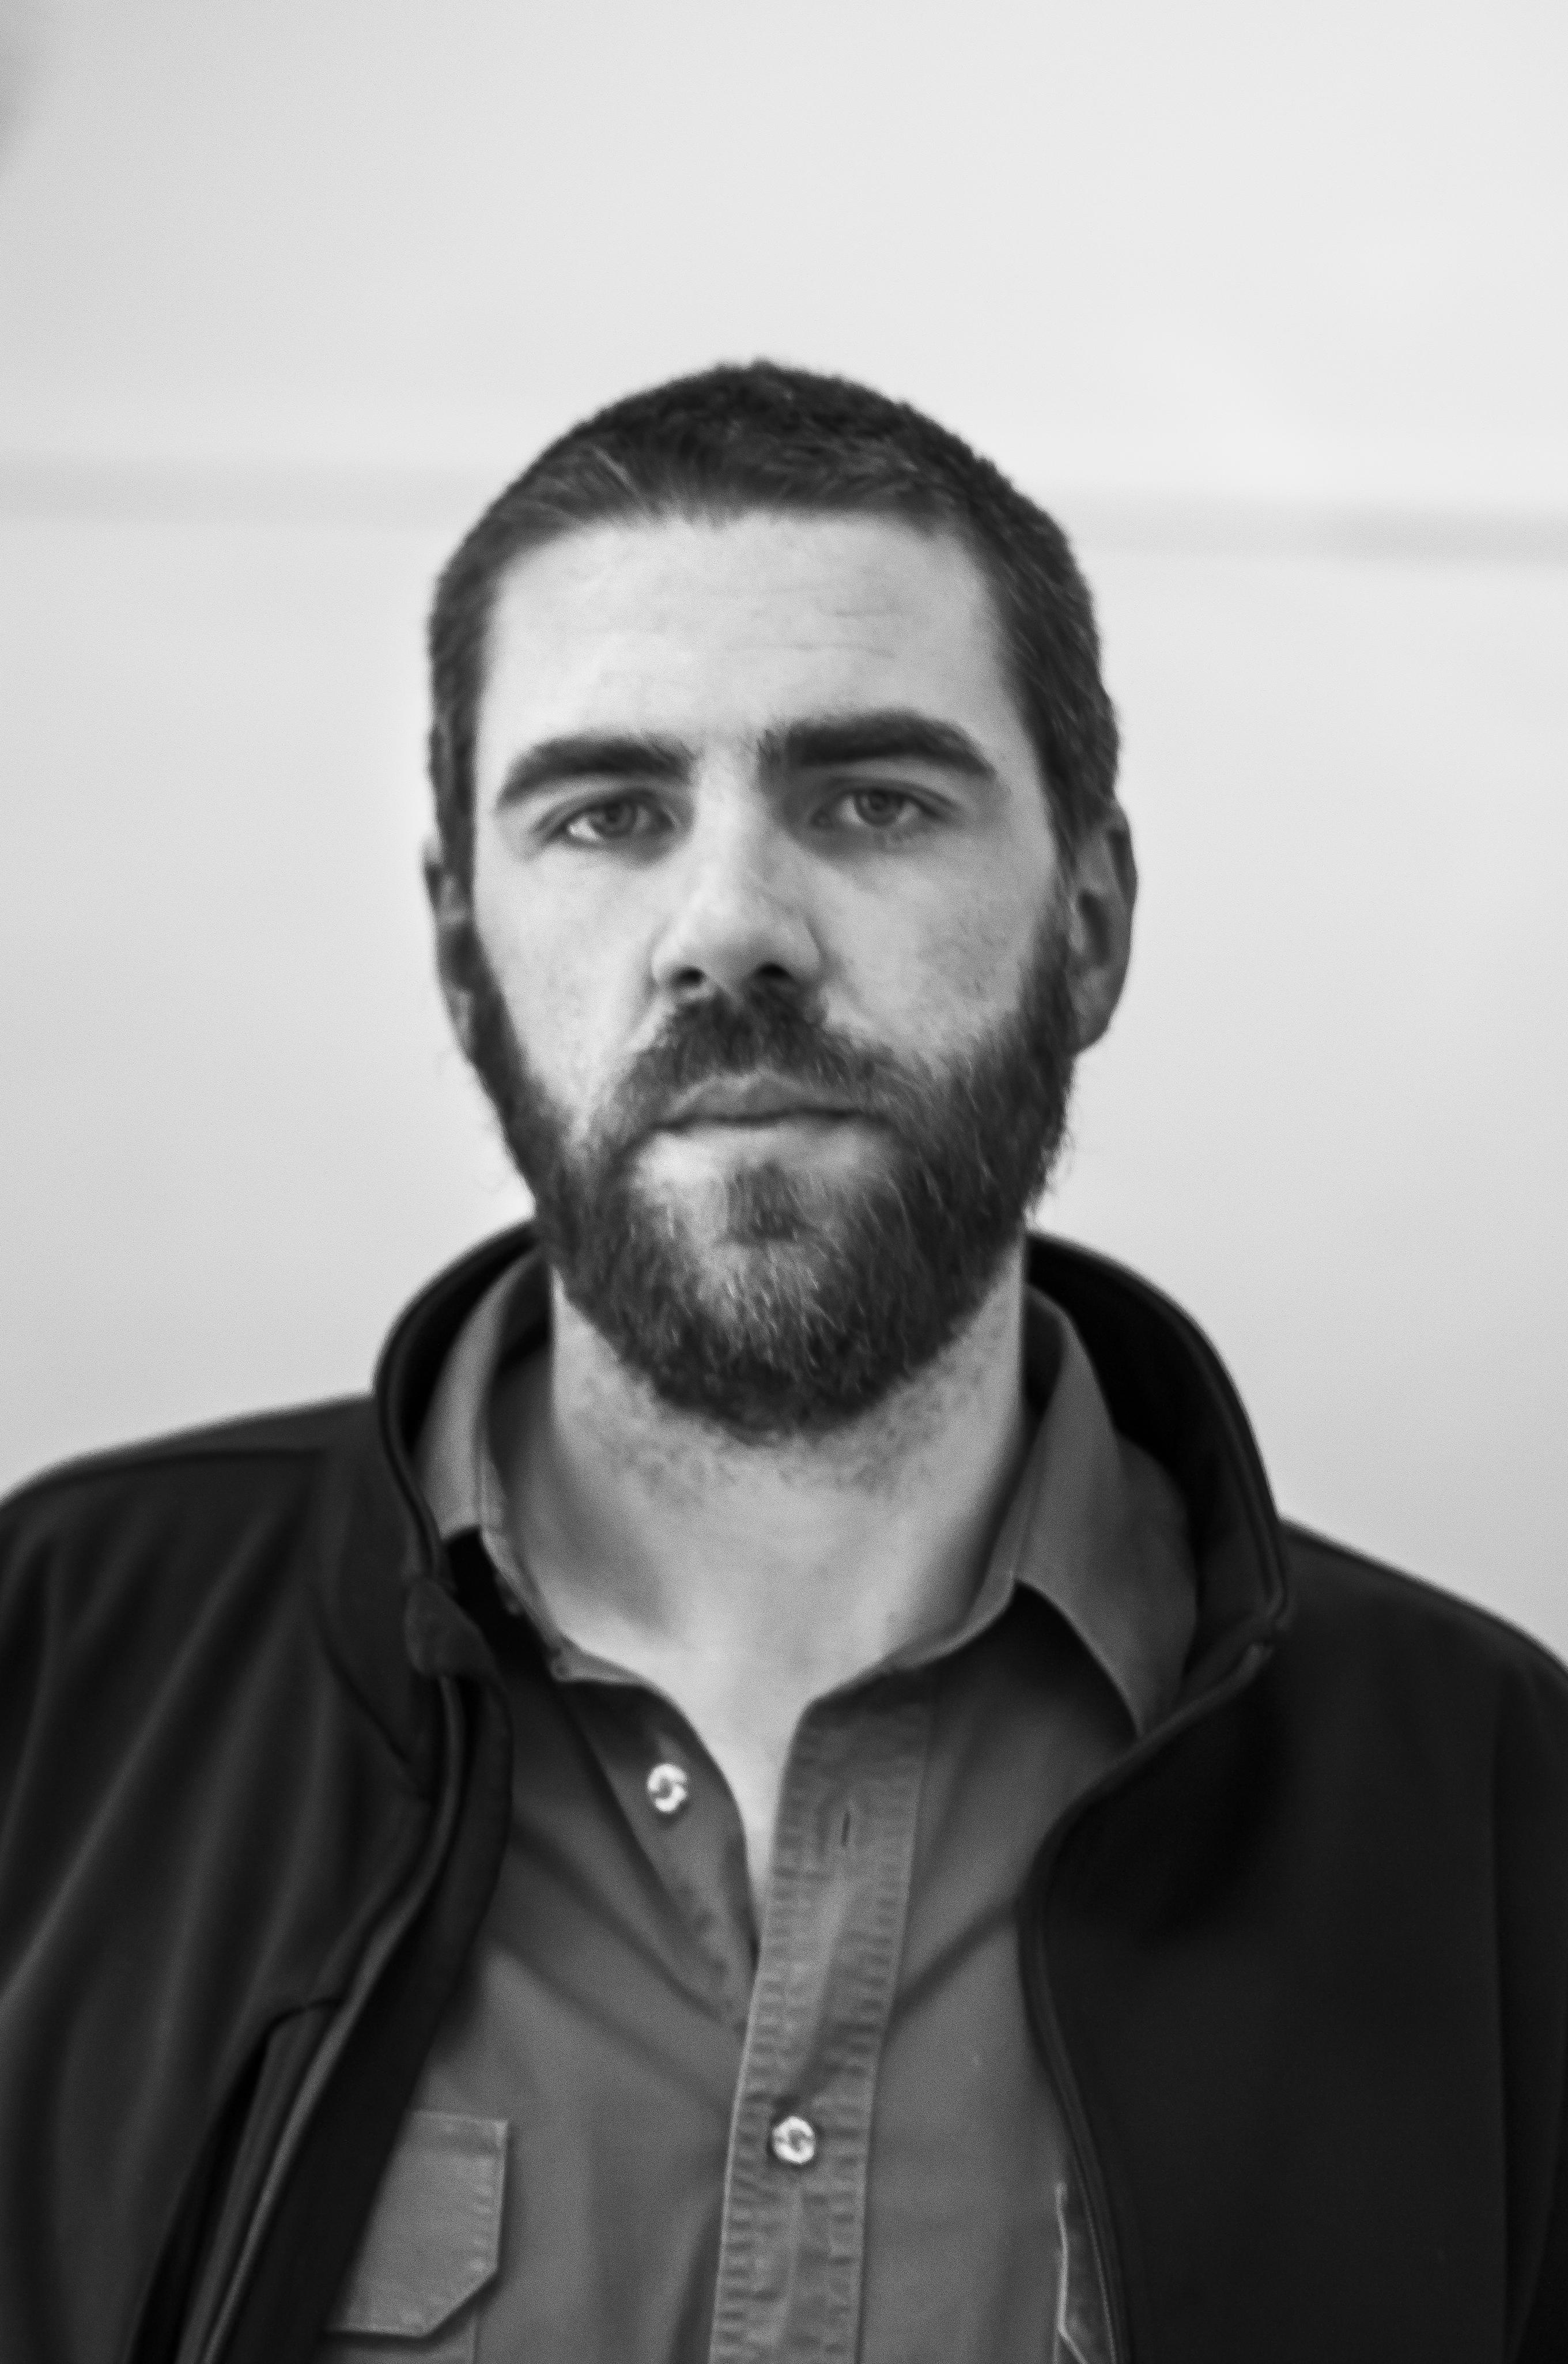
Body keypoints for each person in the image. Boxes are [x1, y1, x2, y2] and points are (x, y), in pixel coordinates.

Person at [2, 362, 1565, 2364]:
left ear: (1087, 924)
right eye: (608, 813)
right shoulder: (54, 1679)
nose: (728, 928)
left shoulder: (1488, 1809)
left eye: (872, 801)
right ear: (463, 953)